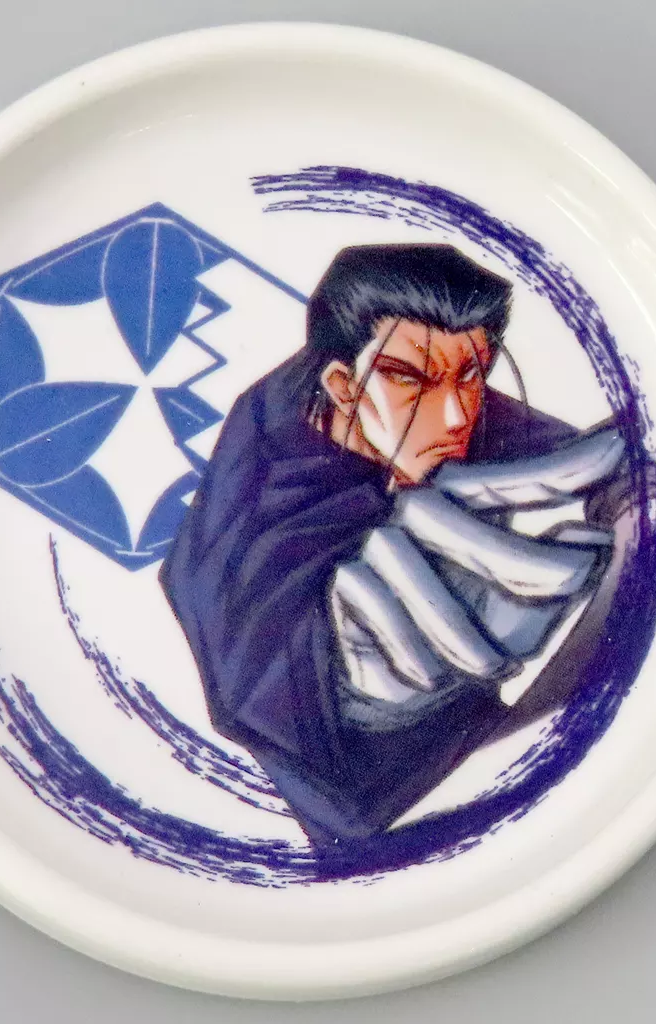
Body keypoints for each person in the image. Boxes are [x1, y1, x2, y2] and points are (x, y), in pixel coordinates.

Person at [160, 244, 630, 852]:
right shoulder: (261, 495)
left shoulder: (430, 392)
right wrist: (360, 698)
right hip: (372, 810)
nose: (454, 415)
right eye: (412, 380)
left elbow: (583, 453)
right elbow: (236, 667)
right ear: (341, 386)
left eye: (472, 375)